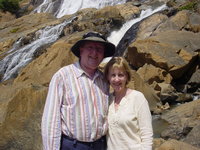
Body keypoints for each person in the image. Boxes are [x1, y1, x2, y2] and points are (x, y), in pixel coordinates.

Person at [41, 31, 116, 150]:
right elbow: (51, 119)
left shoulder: (104, 80)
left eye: (99, 49)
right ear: (81, 51)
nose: (94, 53)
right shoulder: (62, 77)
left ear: (103, 54)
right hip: (73, 146)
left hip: (100, 145)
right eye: (90, 48)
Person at [104, 57, 153, 150]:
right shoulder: (107, 99)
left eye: (121, 75)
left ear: (127, 76)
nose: (117, 79)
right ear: (108, 77)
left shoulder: (138, 98)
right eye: (113, 75)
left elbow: (147, 135)